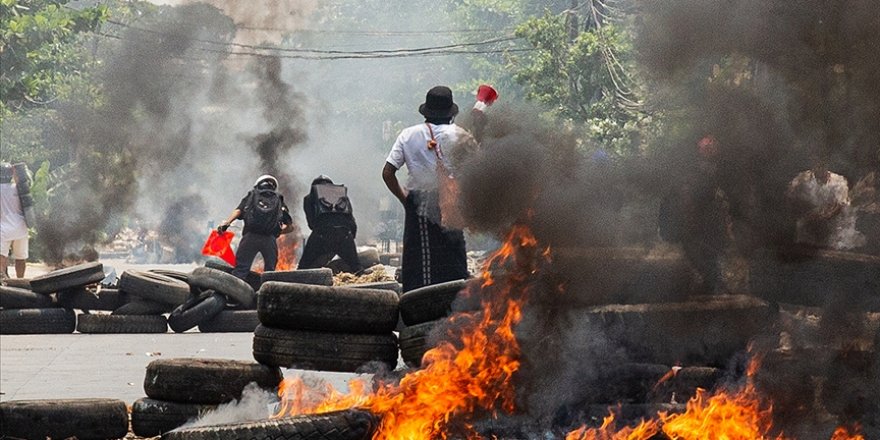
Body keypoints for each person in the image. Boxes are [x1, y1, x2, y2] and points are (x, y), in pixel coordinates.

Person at [382, 85, 473, 292]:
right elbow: (475, 174)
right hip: (453, 203)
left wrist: (405, 199)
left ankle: (418, 308)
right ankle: (456, 307)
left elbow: (388, 173)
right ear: (451, 112)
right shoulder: (462, 136)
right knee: (453, 255)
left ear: (427, 111)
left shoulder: (408, 135)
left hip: (420, 203)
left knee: (421, 261)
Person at [658, 136, 732, 294]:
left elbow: (721, 195)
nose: (710, 152)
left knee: (710, 251)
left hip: (710, 219)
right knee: (694, 249)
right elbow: (684, 193)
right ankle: (711, 281)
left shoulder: (721, 168)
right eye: (706, 148)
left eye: (712, 148)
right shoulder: (691, 169)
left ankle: (713, 282)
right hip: (696, 217)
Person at [217, 175, 293, 280]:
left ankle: (232, 295)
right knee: (270, 273)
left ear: (257, 185)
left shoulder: (252, 195)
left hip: (250, 237)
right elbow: (290, 227)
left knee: (240, 270)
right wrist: (278, 232)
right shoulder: (278, 199)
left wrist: (227, 223)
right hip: (269, 240)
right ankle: (266, 294)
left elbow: (239, 210)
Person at [787, 160, 864, 250]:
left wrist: (825, 215)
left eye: (822, 166)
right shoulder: (802, 179)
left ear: (827, 167)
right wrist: (807, 212)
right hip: (810, 223)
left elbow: (840, 205)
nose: (819, 168)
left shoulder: (839, 181)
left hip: (834, 226)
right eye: (816, 165)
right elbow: (791, 194)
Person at [298, 175, 363, 273]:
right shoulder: (343, 196)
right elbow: (352, 222)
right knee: (357, 269)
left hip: (321, 234)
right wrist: (348, 239)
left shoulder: (309, 198)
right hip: (344, 234)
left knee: (302, 269)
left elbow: (311, 223)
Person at [0, 163, 29, 279]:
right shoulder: (18, 188)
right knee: (21, 258)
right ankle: (21, 281)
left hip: (3, 228)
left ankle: (2, 280)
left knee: (1, 256)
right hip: (21, 226)